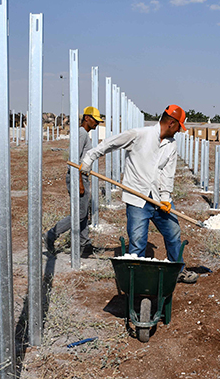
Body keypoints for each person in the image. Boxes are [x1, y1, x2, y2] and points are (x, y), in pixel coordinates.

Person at [80, 104, 198, 284]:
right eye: (179, 128)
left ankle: (178, 270)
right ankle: (135, 280)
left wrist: (166, 198)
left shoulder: (171, 145)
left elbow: (168, 173)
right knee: (137, 242)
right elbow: (110, 143)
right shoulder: (139, 135)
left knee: (173, 232)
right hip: (137, 199)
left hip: (159, 200)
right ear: (172, 124)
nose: (178, 132)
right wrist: (89, 159)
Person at [45, 106, 103, 257]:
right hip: (77, 176)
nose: (97, 124)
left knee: (83, 212)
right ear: (87, 118)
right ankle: (51, 234)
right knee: (80, 214)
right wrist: (80, 183)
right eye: (95, 120)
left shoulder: (84, 134)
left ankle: (85, 244)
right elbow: (73, 160)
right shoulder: (81, 134)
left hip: (82, 176)